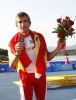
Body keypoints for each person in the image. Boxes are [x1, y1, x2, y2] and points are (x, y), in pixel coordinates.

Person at [8, 12, 66, 100]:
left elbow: (48, 57)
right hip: (25, 77)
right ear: (16, 25)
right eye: (20, 22)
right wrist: (17, 53)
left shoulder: (39, 37)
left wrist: (58, 48)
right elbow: (12, 65)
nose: (23, 24)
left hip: (40, 75)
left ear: (29, 23)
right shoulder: (12, 42)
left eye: (25, 21)